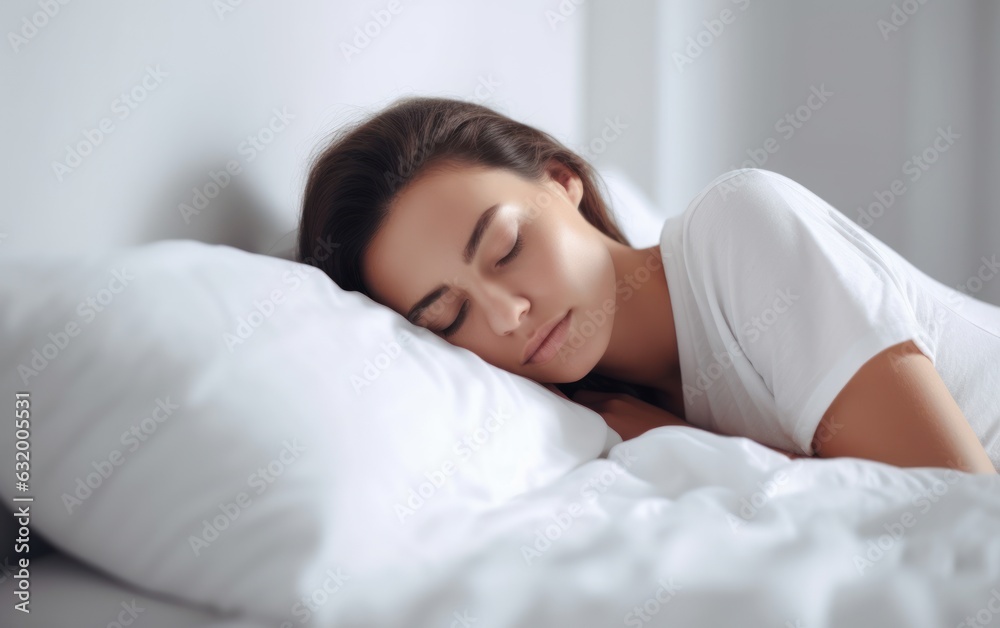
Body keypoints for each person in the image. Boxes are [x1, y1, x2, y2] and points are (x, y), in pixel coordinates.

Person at [296, 95, 999, 474]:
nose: (507, 315)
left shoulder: (740, 225)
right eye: (448, 317)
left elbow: (954, 507)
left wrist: (694, 447)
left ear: (561, 181)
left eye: (507, 246)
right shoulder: (601, 421)